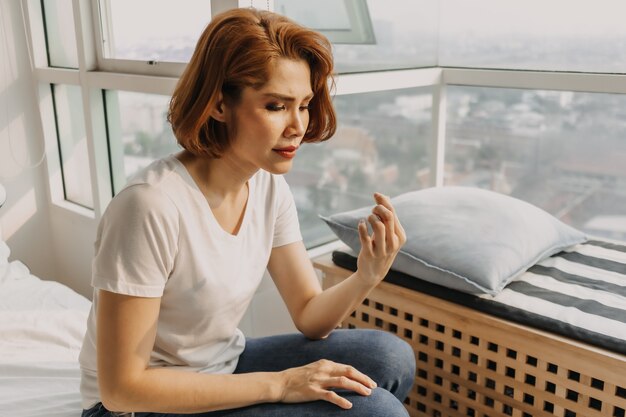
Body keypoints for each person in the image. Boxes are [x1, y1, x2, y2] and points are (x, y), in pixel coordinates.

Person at [79, 7, 415, 417]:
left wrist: (368, 274)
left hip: (219, 367)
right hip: (133, 407)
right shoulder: (149, 206)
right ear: (219, 104)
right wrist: (280, 384)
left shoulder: (268, 186)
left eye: (304, 105)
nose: (298, 126)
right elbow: (121, 389)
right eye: (276, 106)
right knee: (375, 411)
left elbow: (311, 317)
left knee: (390, 357)